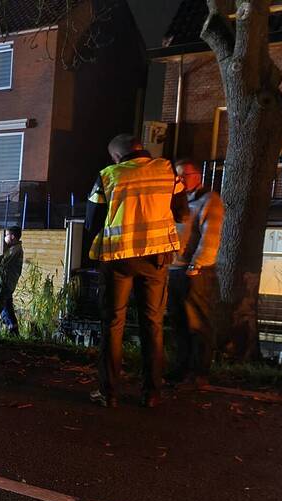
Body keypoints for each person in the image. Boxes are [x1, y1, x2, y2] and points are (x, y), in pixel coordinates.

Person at [85, 134, 187, 408]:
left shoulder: (108, 175)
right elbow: (182, 214)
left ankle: (108, 393)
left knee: (113, 324)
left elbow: (91, 221)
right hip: (156, 259)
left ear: (117, 157)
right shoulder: (167, 171)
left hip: (119, 259)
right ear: (142, 149)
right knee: (152, 324)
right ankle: (152, 393)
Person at [168, 160, 224, 387]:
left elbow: (210, 235)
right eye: (177, 176)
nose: (179, 180)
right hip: (175, 269)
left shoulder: (209, 200)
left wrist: (197, 265)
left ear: (197, 176)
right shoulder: (178, 201)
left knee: (198, 323)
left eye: (184, 175)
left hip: (195, 271)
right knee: (178, 322)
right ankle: (180, 368)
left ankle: (199, 372)